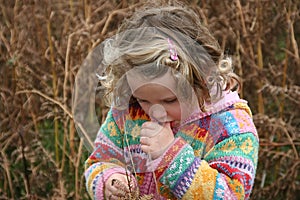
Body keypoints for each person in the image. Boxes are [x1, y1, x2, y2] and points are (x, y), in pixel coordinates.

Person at [84, 1, 259, 199]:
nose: (156, 112)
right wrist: (110, 180)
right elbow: (99, 161)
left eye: (169, 100)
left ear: (202, 79)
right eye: (144, 100)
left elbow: (231, 195)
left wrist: (171, 156)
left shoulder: (230, 127)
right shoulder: (127, 112)